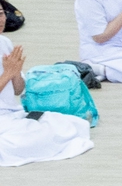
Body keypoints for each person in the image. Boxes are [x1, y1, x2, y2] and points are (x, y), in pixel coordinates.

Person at [0, 32, 93, 166]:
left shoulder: (4, 42)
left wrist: (15, 73)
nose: (1, 19)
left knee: (66, 123)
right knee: (18, 141)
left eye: (2, 13)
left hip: (9, 115)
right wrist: (8, 73)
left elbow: (18, 90)